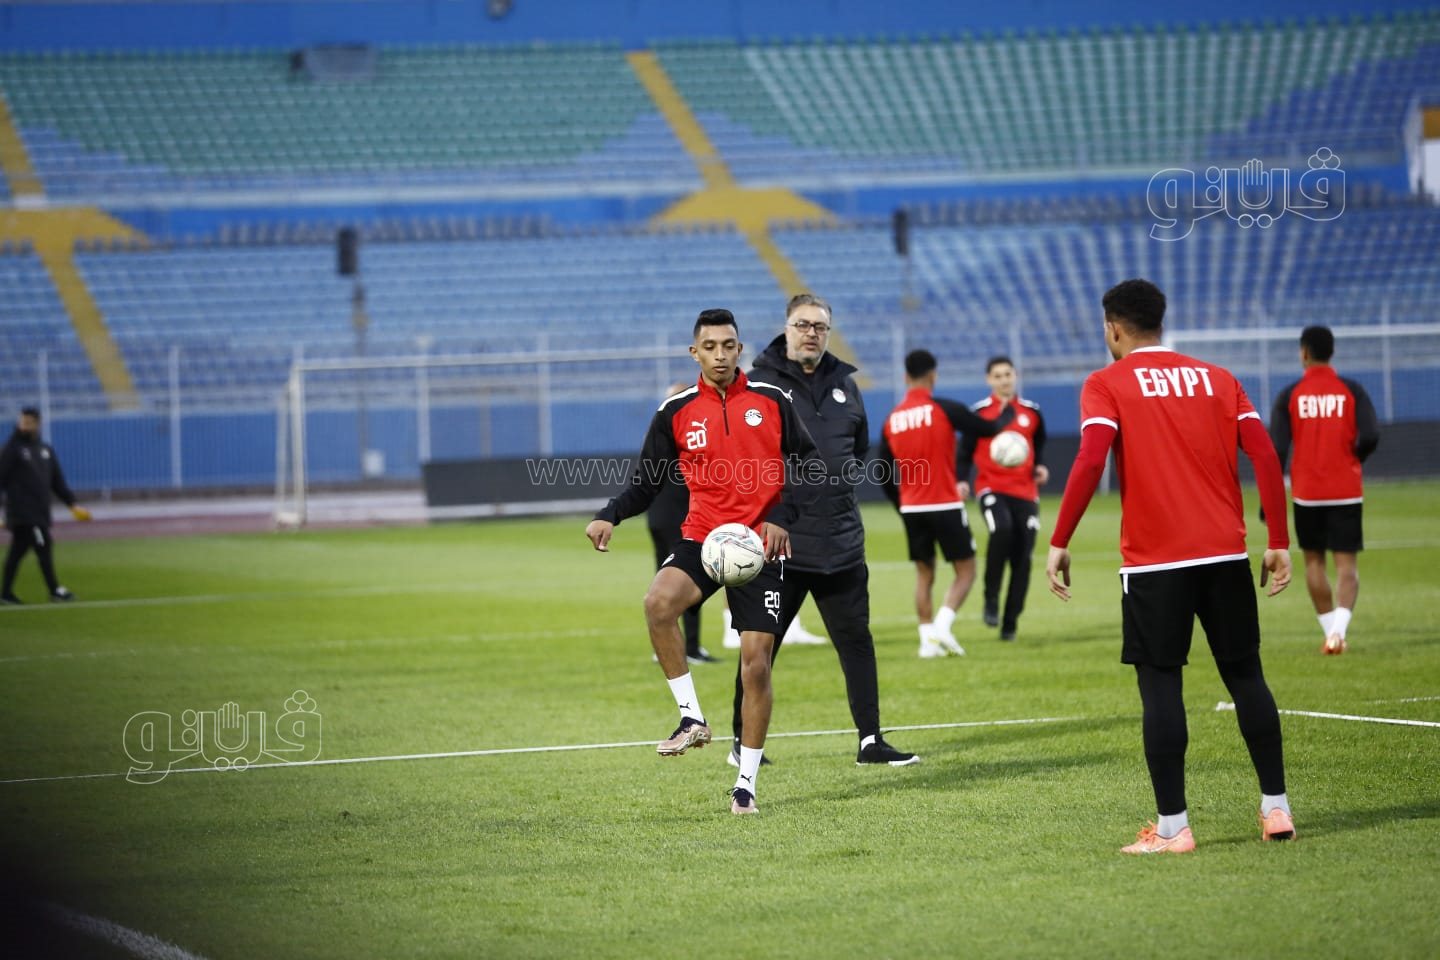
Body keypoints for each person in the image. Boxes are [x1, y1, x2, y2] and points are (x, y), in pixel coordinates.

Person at [1045, 278, 1295, 854]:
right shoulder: (1219, 378)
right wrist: (1278, 538)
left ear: (1113, 328)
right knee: (1247, 677)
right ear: (1161, 322)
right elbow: (1264, 452)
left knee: (1161, 687)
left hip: (1155, 563)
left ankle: (1173, 828)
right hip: (1226, 555)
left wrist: (1060, 538)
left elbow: (1091, 459)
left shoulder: (1106, 382)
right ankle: (1276, 808)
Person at [586, 309, 822, 814]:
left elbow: (809, 463)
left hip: (760, 546)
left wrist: (781, 516)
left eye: (728, 345)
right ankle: (691, 718)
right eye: (709, 346)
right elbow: (646, 482)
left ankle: (746, 784)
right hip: (704, 539)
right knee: (658, 604)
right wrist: (610, 514)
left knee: (755, 666)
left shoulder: (772, 400)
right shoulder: (675, 410)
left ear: (740, 349)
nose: (719, 355)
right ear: (694, 353)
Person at [726, 294, 921, 769]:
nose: (811, 333)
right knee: (760, 648)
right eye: (802, 324)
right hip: (780, 545)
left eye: (819, 326)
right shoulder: (758, 384)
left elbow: (857, 448)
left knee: (857, 642)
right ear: (786, 328)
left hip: (841, 542)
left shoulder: (845, 384)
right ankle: (741, 744)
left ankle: (871, 741)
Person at [876, 350, 1011, 658]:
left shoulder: (892, 419)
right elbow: (990, 428)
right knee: (966, 570)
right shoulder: (945, 409)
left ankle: (927, 641)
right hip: (945, 504)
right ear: (933, 375)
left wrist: (901, 504)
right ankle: (942, 626)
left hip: (912, 508)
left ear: (905, 377)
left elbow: (883, 472)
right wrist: (1007, 409)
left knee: (924, 574)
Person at [1269, 325, 1380, 656]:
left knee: (1314, 562)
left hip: (1307, 493)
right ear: (1332, 353)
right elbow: (1371, 435)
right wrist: (1353, 458)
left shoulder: (1290, 395)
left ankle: (1330, 634)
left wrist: (1270, 497)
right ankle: (1338, 633)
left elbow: (1277, 449)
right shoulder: (1352, 390)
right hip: (1346, 489)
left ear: (1304, 353)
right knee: (1347, 566)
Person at [958, 356, 1048, 642]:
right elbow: (964, 452)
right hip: (991, 488)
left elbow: (1039, 444)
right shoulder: (979, 413)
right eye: (997, 376)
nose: (1004, 380)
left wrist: (1040, 466)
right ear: (989, 380)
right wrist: (962, 480)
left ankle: (1010, 623)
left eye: (1007, 374)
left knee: (1023, 557)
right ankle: (991, 597)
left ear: (1015, 376)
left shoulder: (1032, 412)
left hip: (1026, 492)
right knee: (1002, 529)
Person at [646, 382, 720, 665]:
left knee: (664, 581)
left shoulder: (659, 431)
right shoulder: (687, 431)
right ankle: (690, 648)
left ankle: (665, 647)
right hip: (679, 516)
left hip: (657, 516)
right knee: (686, 581)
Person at [0, 407, 91, 604]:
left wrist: (73, 505)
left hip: (40, 512)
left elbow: (57, 482)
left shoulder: (45, 449)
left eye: (28, 422)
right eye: (22, 422)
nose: (24, 426)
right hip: (23, 513)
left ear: (37, 424)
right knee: (43, 546)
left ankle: (5, 594)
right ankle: (54, 590)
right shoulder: (11, 449)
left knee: (17, 552)